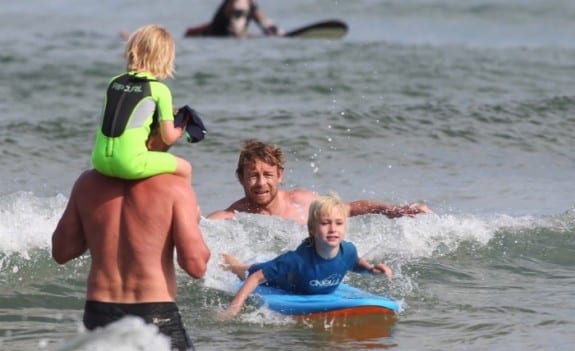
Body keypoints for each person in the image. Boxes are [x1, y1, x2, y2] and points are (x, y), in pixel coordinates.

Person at [52, 129, 211, 351]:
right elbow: (195, 266)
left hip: (99, 310)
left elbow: (62, 252)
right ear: (155, 133)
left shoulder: (88, 182)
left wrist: (100, 229)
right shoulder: (175, 187)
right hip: (154, 312)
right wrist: (193, 223)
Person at [219, 193, 393, 319]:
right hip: (276, 279)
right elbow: (256, 278)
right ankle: (223, 258)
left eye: (339, 223)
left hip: (305, 285)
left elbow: (355, 264)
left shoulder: (348, 251)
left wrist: (371, 270)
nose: (333, 229)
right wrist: (234, 308)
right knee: (242, 271)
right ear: (312, 229)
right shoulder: (297, 260)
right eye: (325, 223)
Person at [207, 139, 433, 224]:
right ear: (240, 178)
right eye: (253, 176)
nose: (261, 183)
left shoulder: (302, 201)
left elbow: (350, 208)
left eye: (267, 175)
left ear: (280, 176)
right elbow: (208, 226)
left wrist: (395, 210)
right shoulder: (234, 218)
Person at [92, 24, 193, 183]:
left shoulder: (113, 82)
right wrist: (181, 127)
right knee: (185, 168)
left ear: (131, 50)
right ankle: (192, 208)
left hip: (99, 160)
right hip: (130, 163)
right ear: (165, 58)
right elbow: (168, 138)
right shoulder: (159, 90)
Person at [205, 0, 282, 37]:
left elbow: (264, 22)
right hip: (216, 38)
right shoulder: (238, 4)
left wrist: (277, 33)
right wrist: (256, 37)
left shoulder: (250, 3)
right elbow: (236, 34)